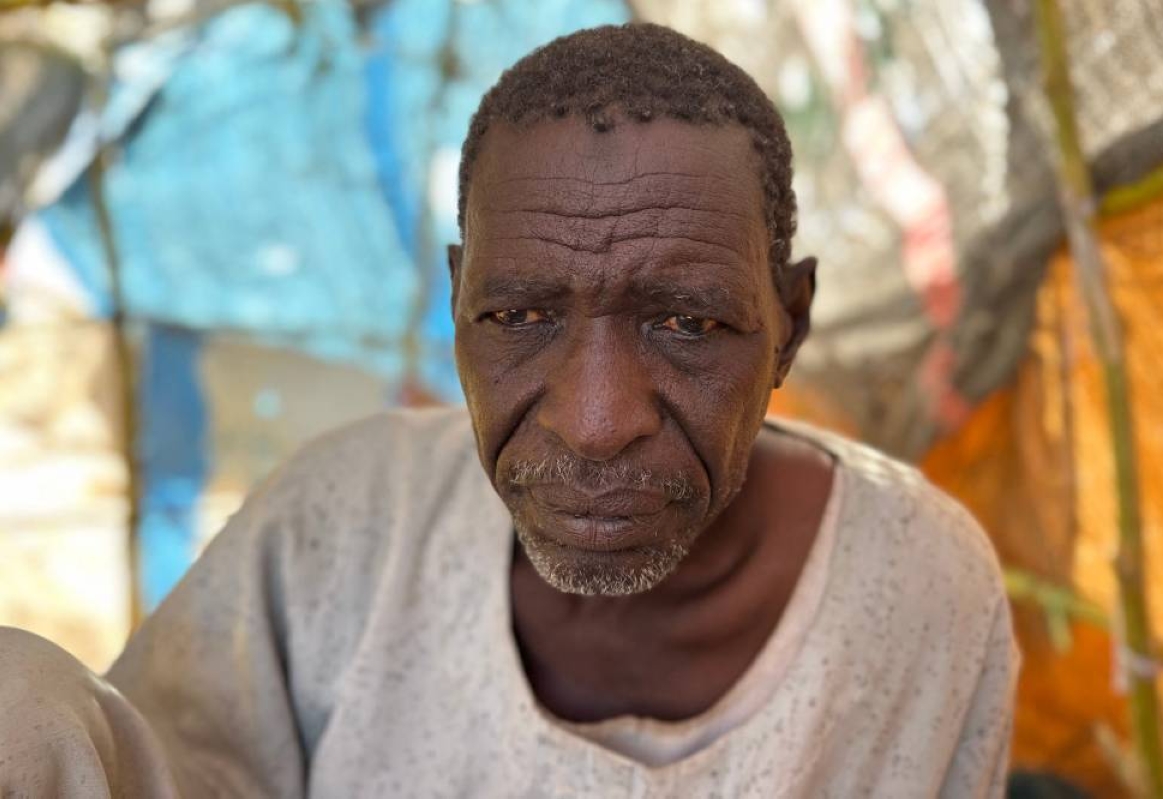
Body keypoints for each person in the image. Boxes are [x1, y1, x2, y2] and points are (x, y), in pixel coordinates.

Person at [0, 23, 1017, 797]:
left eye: (688, 325)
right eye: (520, 314)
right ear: (458, 304)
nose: (596, 419)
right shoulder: (346, 521)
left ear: (788, 322)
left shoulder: (921, 588)